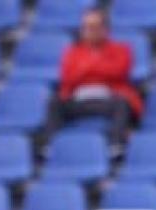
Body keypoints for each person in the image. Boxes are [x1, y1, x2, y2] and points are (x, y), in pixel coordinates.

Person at [43, 8, 142, 156]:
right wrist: (98, 65)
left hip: (109, 98)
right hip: (79, 100)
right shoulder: (72, 52)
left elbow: (118, 72)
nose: (89, 31)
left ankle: (115, 145)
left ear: (105, 29)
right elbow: (69, 77)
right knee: (54, 102)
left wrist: (86, 67)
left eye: (94, 27)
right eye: (86, 27)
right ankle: (54, 146)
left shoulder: (121, 49)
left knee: (122, 104)